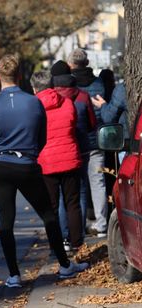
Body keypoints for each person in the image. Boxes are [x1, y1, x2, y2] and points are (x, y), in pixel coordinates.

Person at [0, 54, 88, 288]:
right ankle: (64, 264)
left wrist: (0, 152)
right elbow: (42, 137)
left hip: (1, 165)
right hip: (27, 164)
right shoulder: (33, 102)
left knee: (6, 220)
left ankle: (14, 275)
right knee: (48, 214)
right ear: (19, 76)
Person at [31, 71, 83, 252]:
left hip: (47, 162)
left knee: (51, 207)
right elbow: (73, 124)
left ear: (35, 88)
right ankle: (76, 243)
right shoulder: (68, 103)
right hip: (70, 158)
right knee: (73, 203)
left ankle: (56, 246)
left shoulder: (34, 107)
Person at [51, 60, 97, 247]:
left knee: (62, 196)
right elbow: (92, 124)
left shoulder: (51, 97)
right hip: (81, 148)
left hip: (55, 149)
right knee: (80, 192)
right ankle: (79, 233)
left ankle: (63, 236)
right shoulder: (82, 96)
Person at [68, 48, 108, 237]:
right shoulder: (98, 83)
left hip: (77, 139)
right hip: (97, 138)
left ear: (71, 64)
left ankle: (81, 224)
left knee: (80, 186)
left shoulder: (71, 86)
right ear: (87, 62)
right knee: (98, 182)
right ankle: (101, 225)